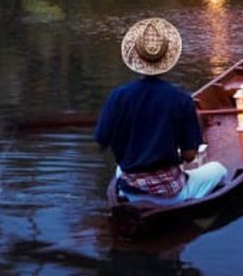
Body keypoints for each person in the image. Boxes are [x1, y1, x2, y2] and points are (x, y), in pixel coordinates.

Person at [94, 18, 228, 204]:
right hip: (171, 194)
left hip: (130, 191)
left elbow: (101, 144)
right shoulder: (181, 100)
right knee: (219, 169)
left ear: (136, 59)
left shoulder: (117, 96)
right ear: (167, 60)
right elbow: (190, 156)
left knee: (119, 169)